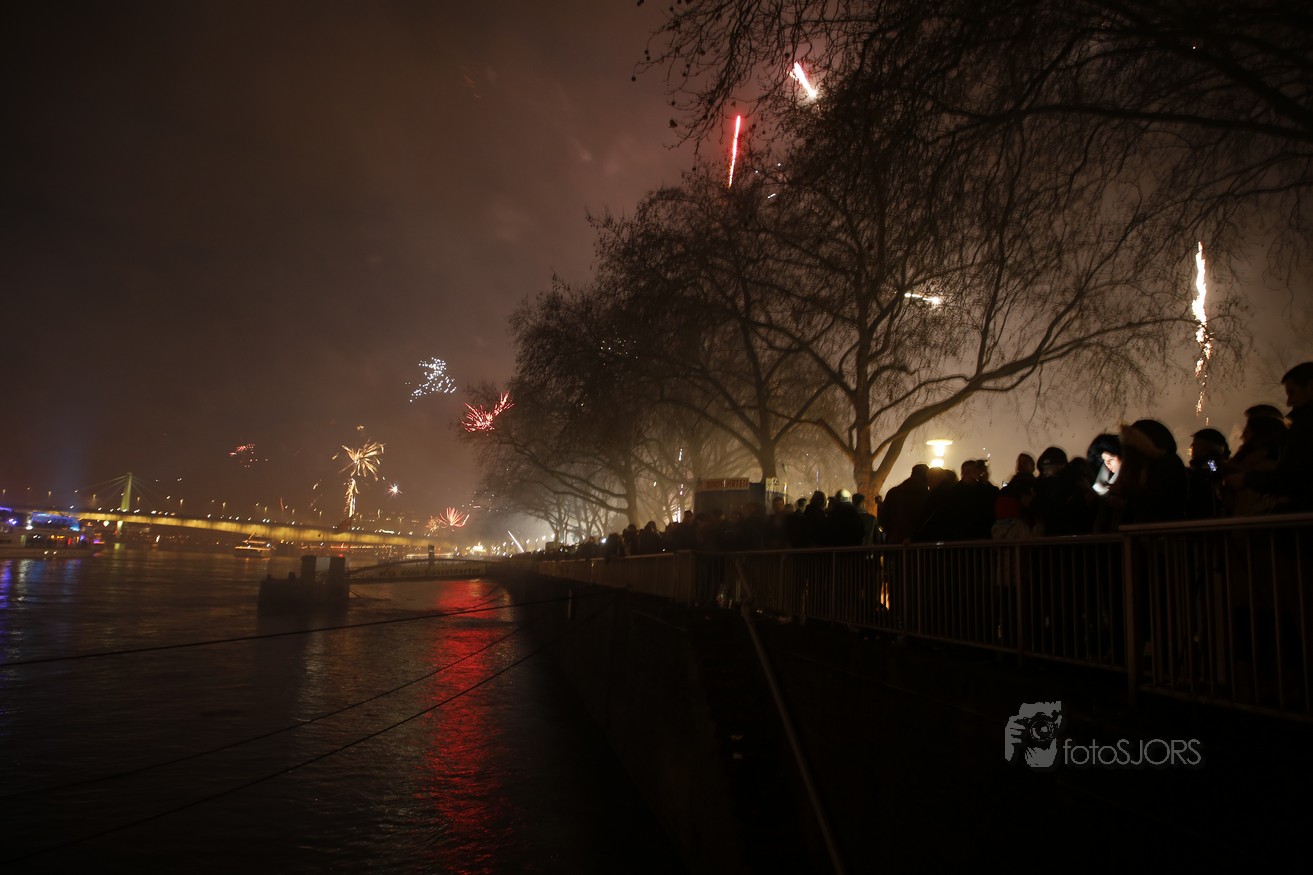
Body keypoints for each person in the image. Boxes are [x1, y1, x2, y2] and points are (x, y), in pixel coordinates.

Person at [1224, 362, 1313, 513]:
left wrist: (1246, 479)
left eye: (1292, 393)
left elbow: (1290, 478)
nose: (1288, 402)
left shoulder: (1305, 428)